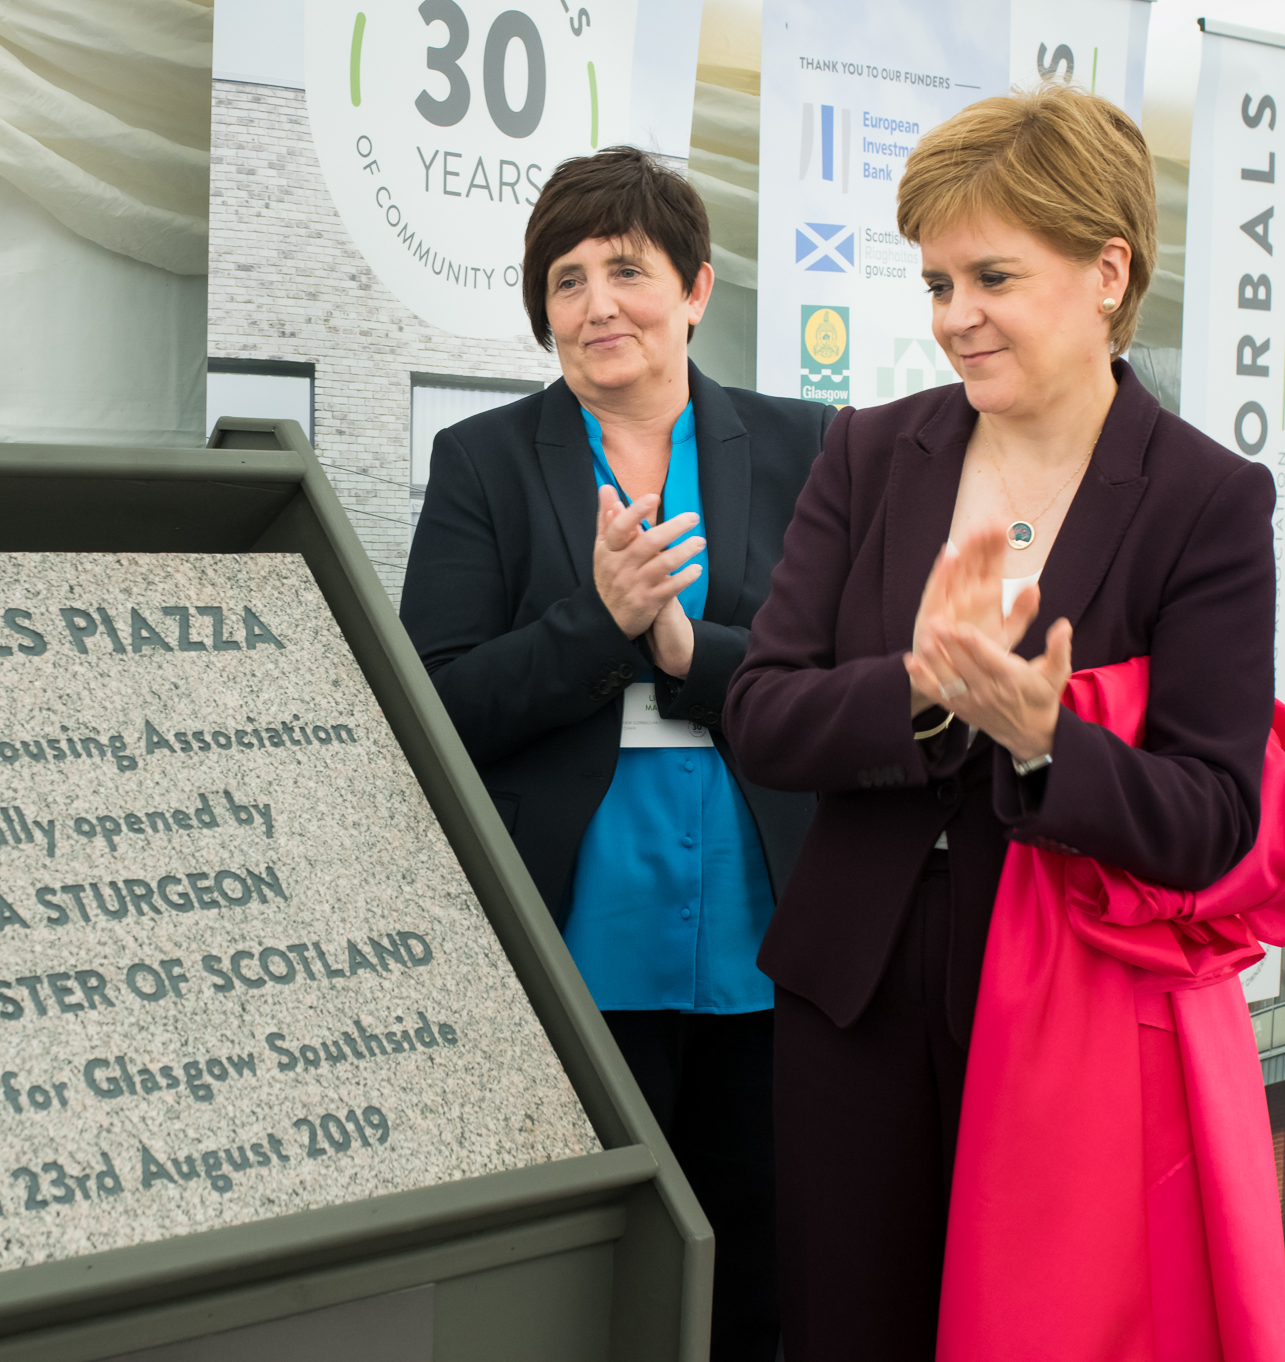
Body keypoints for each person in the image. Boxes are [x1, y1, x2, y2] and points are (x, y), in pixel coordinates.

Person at [723, 86, 1285, 1360]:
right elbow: (760, 716)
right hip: (848, 990)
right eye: (934, 284)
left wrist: (1045, 744)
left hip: (1059, 1022)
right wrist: (920, 690)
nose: (953, 319)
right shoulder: (865, 454)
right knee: (844, 1325)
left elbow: (1211, 817)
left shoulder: (1203, 499)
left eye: (989, 276)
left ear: (1105, 271)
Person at [400, 147, 831, 1359]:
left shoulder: (807, 449)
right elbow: (433, 701)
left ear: (695, 287)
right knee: (582, 1276)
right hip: (572, 923)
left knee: (757, 1268)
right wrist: (594, 624)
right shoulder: (485, 461)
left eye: (627, 271)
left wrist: (690, 652)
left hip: (767, 923)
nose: (595, 305)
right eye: (565, 278)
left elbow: (843, 678)